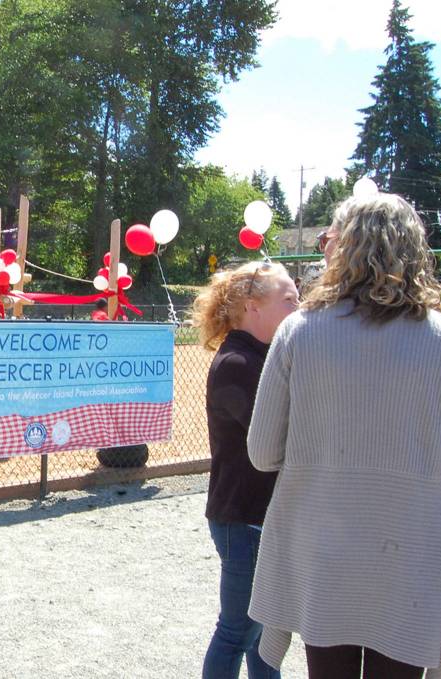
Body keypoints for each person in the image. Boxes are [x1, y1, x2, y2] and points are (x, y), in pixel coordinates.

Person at [247, 194, 441, 679]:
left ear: (343, 249)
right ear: (415, 249)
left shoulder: (298, 332)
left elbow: (262, 453)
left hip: (323, 557)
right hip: (411, 560)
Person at [192, 260, 298, 679]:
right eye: (289, 300)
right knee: (238, 631)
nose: (299, 306)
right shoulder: (239, 363)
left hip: (259, 516)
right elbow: (274, 439)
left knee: (263, 632)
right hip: (244, 519)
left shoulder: (262, 358)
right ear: (253, 306)